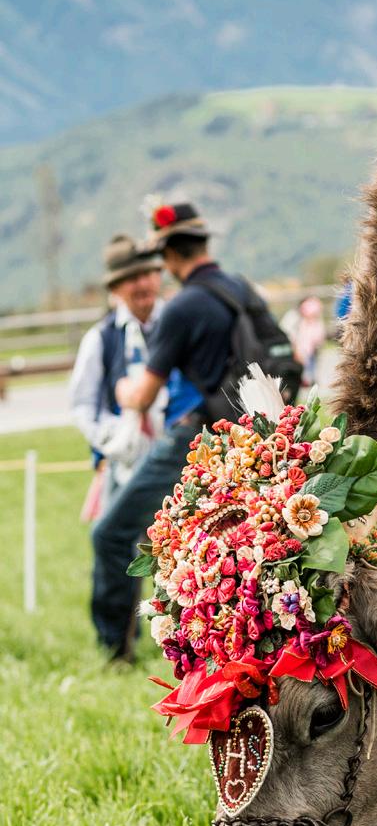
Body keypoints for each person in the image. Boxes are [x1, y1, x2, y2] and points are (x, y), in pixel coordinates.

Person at [91, 202, 290, 661]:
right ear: (201, 243)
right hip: (252, 438)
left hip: (197, 437)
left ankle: (114, 650)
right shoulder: (241, 288)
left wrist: (122, 390)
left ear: (168, 255)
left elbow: (143, 395)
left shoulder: (181, 307)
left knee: (112, 533)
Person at [69, 234, 165, 515]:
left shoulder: (178, 325)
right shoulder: (101, 338)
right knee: (117, 536)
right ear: (116, 288)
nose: (143, 284)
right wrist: (114, 438)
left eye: (148, 274)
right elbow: (83, 404)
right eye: (132, 278)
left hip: (177, 461)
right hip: (124, 465)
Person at [293, 295, 326, 387]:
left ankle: (311, 378)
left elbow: (319, 334)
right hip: (306, 346)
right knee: (307, 362)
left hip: (313, 345)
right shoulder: (305, 323)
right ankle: (307, 379)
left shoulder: (315, 323)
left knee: (312, 362)